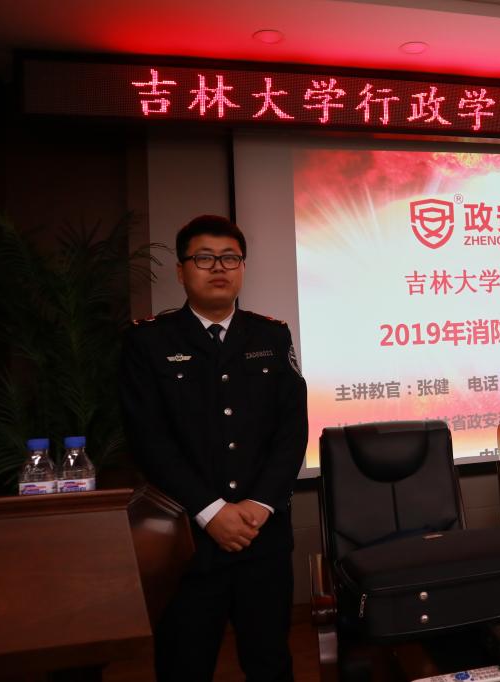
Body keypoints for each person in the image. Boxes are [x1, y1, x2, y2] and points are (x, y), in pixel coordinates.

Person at [119, 215, 308, 681]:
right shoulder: (149, 341)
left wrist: (260, 505)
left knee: (270, 663)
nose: (218, 267)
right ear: (181, 270)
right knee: (184, 664)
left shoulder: (271, 336)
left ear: (242, 268)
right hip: (186, 540)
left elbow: (291, 431)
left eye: (230, 258)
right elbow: (149, 440)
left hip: (262, 536)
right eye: (204, 258)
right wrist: (210, 511)